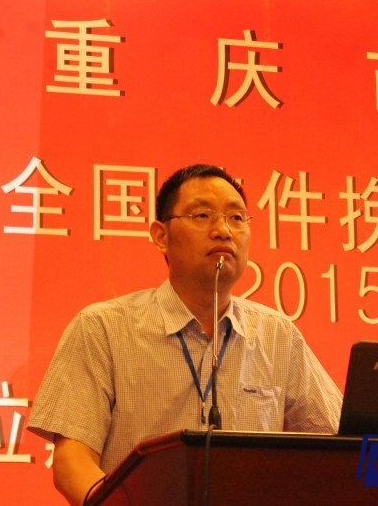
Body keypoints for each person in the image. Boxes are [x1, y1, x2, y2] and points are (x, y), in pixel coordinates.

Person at [28, 164, 342, 504]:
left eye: (236, 218)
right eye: (202, 215)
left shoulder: (278, 335)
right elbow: (72, 463)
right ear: (161, 236)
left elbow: (340, 450)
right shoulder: (103, 328)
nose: (223, 231)